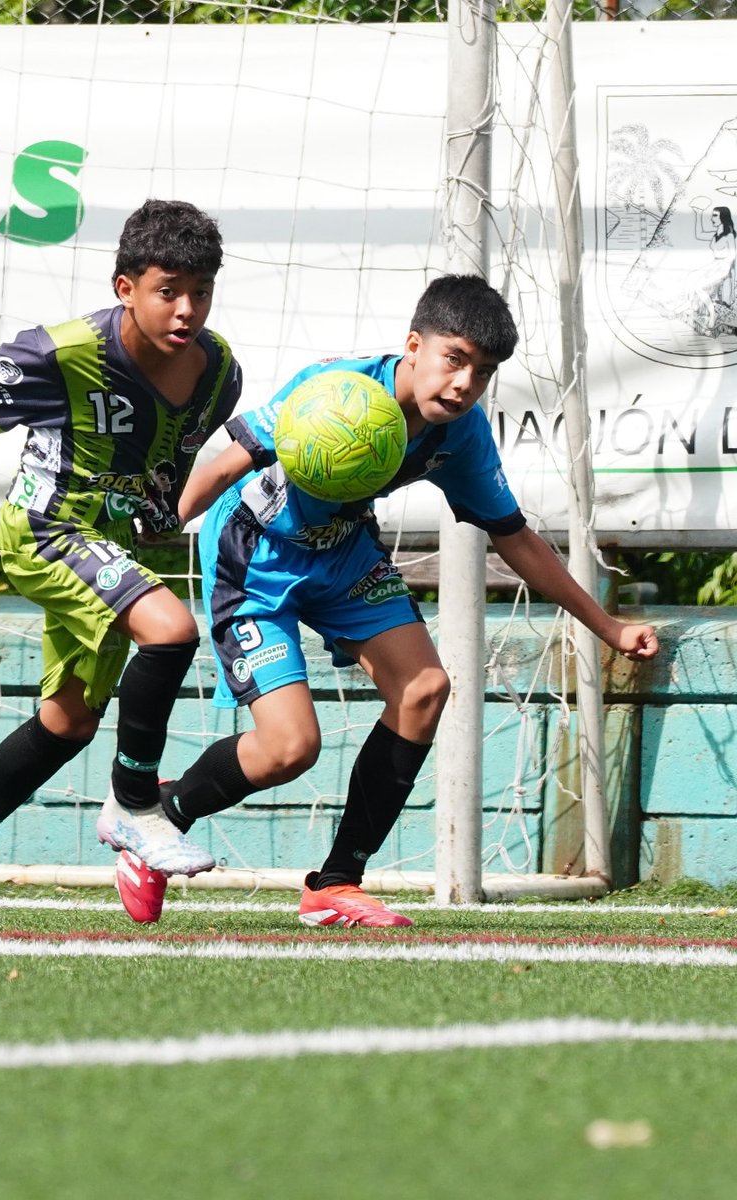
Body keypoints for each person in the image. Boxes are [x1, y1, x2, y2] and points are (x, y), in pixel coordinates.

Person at [106, 273, 660, 927]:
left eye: (481, 373)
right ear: (414, 346)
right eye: (454, 360)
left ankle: (336, 883)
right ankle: (157, 819)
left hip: (345, 555)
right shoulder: (337, 391)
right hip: (257, 556)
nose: (462, 384)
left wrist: (607, 626)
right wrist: (171, 518)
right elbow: (231, 459)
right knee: (290, 749)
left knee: (425, 689)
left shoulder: (460, 434)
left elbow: (514, 538)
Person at [0, 198, 242, 923]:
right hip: (45, 529)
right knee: (172, 630)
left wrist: (159, 507)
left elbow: (173, 455)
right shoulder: (67, 351)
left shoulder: (218, 373)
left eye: (201, 291)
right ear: (125, 287)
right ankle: (134, 805)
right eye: (168, 290)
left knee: (68, 722)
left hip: (107, 546)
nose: (186, 309)